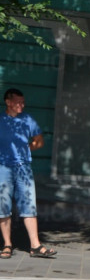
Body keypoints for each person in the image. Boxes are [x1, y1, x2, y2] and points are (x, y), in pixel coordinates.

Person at [0, 88, 55, 260]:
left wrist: (26, 149)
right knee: (3, 206)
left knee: (29, 205)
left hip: (23, 167)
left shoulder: (28, 120)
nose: (21, 105)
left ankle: (35, 246)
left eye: (23, 102)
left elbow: (39, 141)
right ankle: (7, 244)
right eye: (18, 102)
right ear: (8, 102)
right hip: (3, 167)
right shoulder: (1, 120)